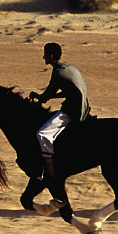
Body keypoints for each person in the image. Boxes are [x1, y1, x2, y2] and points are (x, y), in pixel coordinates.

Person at [28, 42, 90, 182]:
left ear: (50, 56)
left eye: (45, 54)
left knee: (42, 134)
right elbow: (65, 92)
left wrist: (38, 97)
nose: (43, 56)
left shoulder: (58, 72)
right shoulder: (69, 67)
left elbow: (47, 94)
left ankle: (48, 169)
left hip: (73, 111)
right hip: (83, 106)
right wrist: (42, 98)